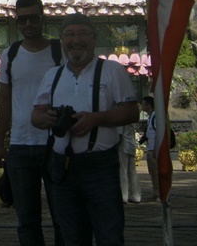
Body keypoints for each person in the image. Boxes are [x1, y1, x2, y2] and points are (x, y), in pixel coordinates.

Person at [31, 13, 139, 245]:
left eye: (82, 34)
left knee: (109, 234)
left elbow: (131, 112)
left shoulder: (112, 70)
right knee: (70, 235)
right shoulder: (53, 75)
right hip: (62, 166)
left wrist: (96, 119)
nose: (76, 40)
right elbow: (36, 116)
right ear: (61, 39)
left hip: (100, 165)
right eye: (69, 34)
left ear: (93, 38)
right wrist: (49, 117)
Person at [0, 0, 64, 246]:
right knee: (26, 219)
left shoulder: (59, 52)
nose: (28, 24)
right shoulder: (10, 54)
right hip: (21, 145)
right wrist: (0, 142)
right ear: (17, 21)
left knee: (62, 216)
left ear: (42, 18)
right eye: (22, 19)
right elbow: (4, 100)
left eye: (33, 18)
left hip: (56, 144)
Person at [139, 96, 159, 200]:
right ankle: (156, 192)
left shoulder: (155, 116)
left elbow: (157, 133)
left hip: (153, 149)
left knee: (155, 172)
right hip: (150, 147)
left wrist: (156, 148)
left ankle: (158, 193)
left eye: (143, 104)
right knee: (152, 172)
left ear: (148, 105)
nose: (142, 106)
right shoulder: (150, 117)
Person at [116, 121, 141, 204]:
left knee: (123, 172)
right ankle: (136, 195)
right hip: (131, 145)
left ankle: (124, 195)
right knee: (132, 172)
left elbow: (119, 135)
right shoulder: (130, 120)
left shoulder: (121, 119)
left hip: (123, 146)